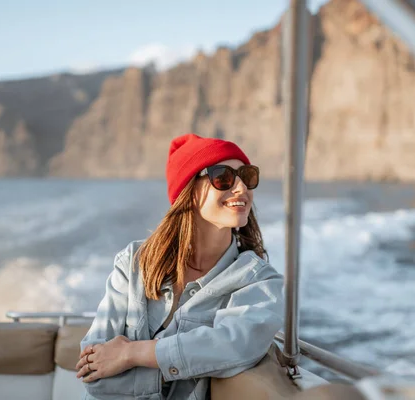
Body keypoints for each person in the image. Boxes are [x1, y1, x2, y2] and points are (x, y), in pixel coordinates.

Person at [75, 133, 285, 400]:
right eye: (224, 177)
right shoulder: (133, 262)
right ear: (188, 190)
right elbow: (92, 373)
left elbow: (238, 346)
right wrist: (190, 363)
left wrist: (130, 354)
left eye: (247, 176)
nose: (242, 188)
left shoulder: (259, 282)